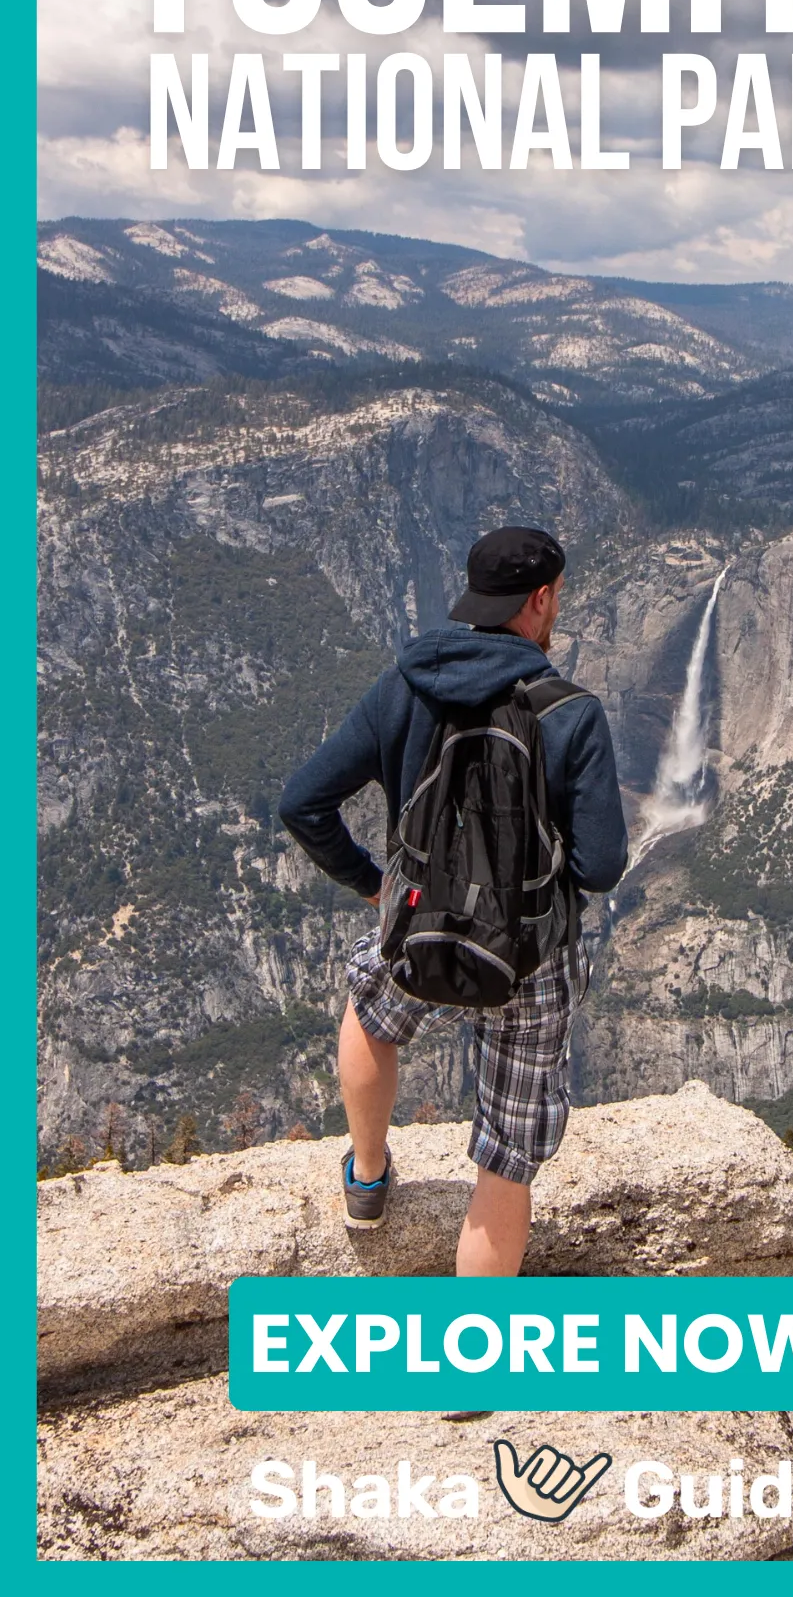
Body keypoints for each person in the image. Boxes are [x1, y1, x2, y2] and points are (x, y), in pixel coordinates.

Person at [279, 525, 628, 1278]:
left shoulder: (404, 684)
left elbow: (303, 803)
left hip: (413, 921)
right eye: (557, 597)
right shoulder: (569, 712)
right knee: (505, 1161)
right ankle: (467, 1364)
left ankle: (366, 1179)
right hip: (528, 957)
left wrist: (374, 882)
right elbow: (601, 867)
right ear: (540, 600)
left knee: (372, 1012)